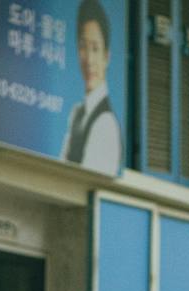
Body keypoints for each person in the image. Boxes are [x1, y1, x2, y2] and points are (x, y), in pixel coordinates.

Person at [61, 0, 121, 175]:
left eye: (95, 48)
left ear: (107, 56)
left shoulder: (106, 124)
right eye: (83, 47)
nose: (88, 59)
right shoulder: (76, 113)